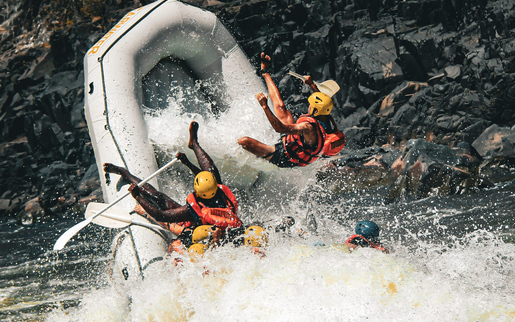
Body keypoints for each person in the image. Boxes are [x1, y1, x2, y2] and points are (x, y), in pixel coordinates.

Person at [103, 121, 243, 241]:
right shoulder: (219, 191)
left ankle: (124, 173)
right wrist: (187, 163)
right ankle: (194, 144)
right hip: (211, 223)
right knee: (211, 171)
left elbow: (161, 216)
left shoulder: (189, 211)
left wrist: (138, 196)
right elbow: (205, 177)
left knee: (158, 198)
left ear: (197, 192)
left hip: (195, 230)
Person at [237, 53, 345, 168]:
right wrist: (312, 84)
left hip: (286, 157)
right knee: (280, 108)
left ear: (315, 110)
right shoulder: (325, 114)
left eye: (310, 105)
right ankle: (264, 72)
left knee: (244, 141)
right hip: (293, 142)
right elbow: (322, 98)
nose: (308, 106)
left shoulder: (307, 127)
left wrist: (265, 106)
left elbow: (279, 128)